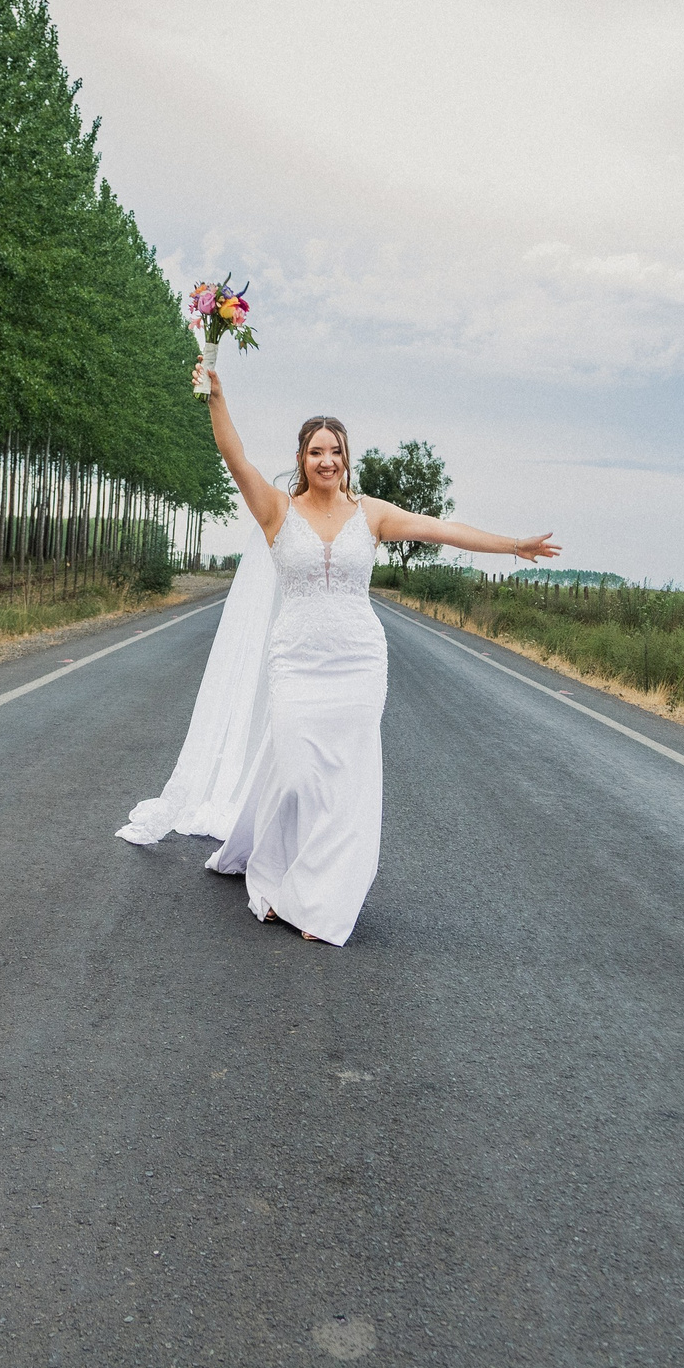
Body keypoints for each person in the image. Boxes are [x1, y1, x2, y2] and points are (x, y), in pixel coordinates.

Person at [118, 363, 560, 944]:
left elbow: (442, 529)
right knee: (299, 776)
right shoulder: (276, 511)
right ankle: (274, 871)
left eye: (336, 451)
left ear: (346, 458)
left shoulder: (371, 515)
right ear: (302, 459)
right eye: (316, 451)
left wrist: (513, 545)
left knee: (345, 785)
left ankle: (316, 900)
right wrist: (217, 398)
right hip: (297, 662)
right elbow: (235, 458)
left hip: (358, 661)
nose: (327, 460)